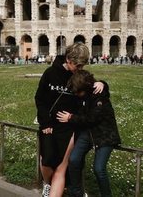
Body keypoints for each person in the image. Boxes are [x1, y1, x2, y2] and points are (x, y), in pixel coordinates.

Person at [35, 43, 103, 197]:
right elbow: (40, 99)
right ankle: (47, 184)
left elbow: (94, 89)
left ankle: (55, 189)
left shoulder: (79, 76)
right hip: (49, 125)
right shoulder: (50, 73)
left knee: (60, 167)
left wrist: (102, 84)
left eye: (82, 65)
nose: (79, 69)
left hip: (69, 126)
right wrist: (45, 122)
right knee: (46, 162)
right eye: (76, 65)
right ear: (68, 59)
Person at [57, 70, 121, 197]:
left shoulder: (99, 94)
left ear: (85, 88)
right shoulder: (82, 94)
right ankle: (76, 193)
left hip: (105, 134)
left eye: (78, 92)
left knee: (99, 169)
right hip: (88, 132)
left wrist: (70, 118)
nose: (76, 94)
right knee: (74, 160)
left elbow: (92, 118)